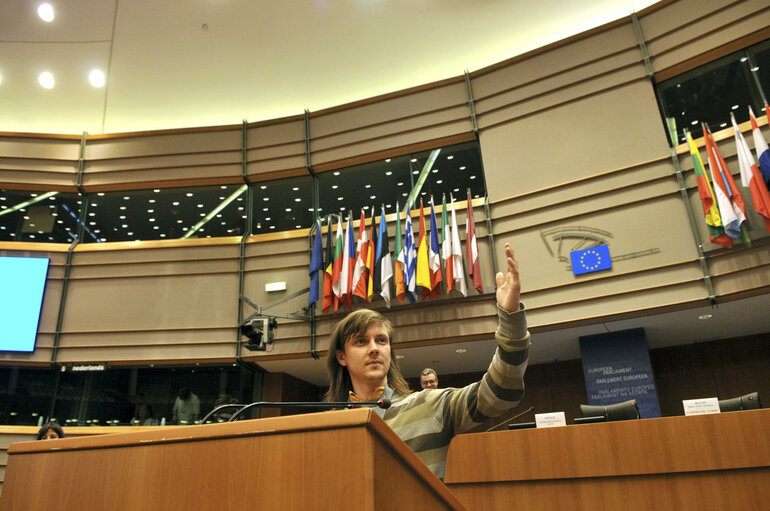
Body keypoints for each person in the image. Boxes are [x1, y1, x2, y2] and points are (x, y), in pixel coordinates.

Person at [325, 243, 529, 479]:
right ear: (341, 356)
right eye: (361, 342)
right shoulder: (330, 425)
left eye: (381, 341)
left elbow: (500, 393)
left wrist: (511, 319)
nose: (374, 349)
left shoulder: (428, 405)